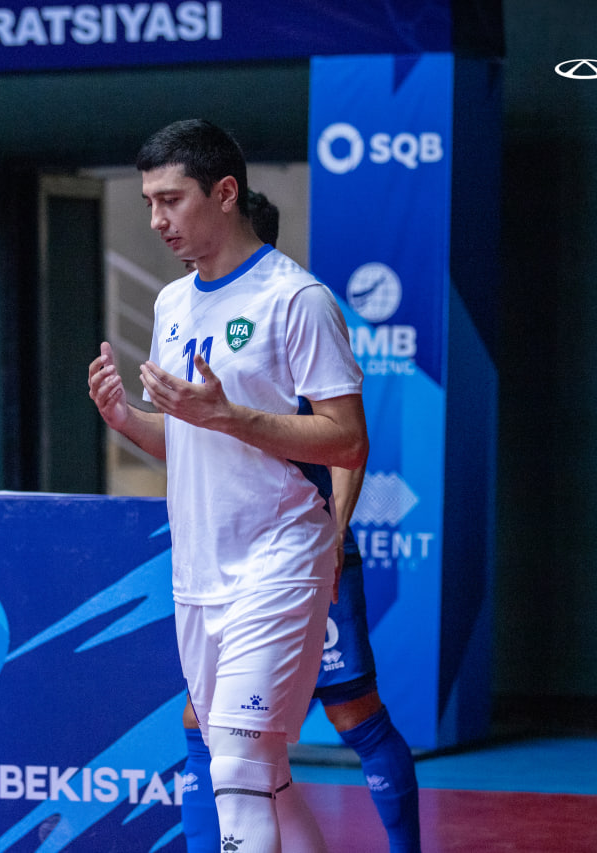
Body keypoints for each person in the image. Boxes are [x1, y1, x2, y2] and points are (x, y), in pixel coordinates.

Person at [88, 119, 367, 852]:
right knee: (262, 771)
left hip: (281, 557)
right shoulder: (172, 304)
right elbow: (188, 438)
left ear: (225, 192)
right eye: (149, 202)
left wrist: (232, 415)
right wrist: (128, 420)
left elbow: (347, 437)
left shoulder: (295, 299)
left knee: (238, 766)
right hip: (199, 573)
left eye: (171, 200)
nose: (156, 220)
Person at [177, 192, 422, 851]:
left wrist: (335, 538)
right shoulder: (189, 315)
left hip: (300, 555)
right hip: (226, 568)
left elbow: (347, 442)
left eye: (172, 202)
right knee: (210, 730)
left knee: (353, 714)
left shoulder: (295, 313)